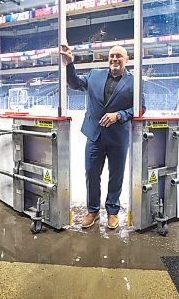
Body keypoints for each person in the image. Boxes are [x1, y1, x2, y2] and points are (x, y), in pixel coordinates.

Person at [60, 43, 145, 229]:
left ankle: (112, 211)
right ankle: (93, 211)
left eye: (119, 56)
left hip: (118, 138)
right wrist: (69, 64)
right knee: (91, 173)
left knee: (116, 176)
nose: (114, 59)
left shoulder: (134, 81)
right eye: (111, 56)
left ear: (126, 60)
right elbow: (75, 84)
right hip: (95, 135)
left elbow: (141, 108)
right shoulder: (94, 75)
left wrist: (119, 116)